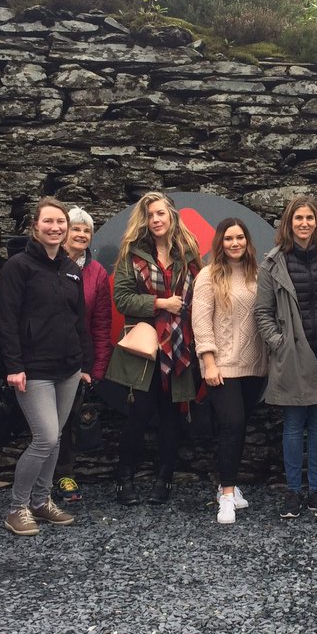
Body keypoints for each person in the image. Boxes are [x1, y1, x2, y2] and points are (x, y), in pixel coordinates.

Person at [0, 197, 92, 536]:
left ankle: (41, 501)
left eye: (60, 222)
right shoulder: (18, 267)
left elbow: (79, 320)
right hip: (32, 369)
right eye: (48, 221)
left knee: (56, 437)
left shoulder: (72, 269)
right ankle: (17, 508)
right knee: (45, 437)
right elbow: (6, 319)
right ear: (35, 226)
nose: (55, 227)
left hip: (68, 368)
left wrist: (84, 363)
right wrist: (13, 365)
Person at [254, 194, 317, 520]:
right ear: (288, 223)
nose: (304, 223)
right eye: (298, 218)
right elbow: (262, 312)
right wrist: (278, 343)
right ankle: (293, 492)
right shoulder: (272, 263)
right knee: (293, 426)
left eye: (309, 218)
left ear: (316, 222)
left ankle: (316, 491)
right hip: (292, 354)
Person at [106, 191, 201, 506]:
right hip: (145, 350)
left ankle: (164, 479)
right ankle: (124, 479)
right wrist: (161, 303)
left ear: (172, 215)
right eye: (150, 215)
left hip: (179, 346)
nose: (156, 219)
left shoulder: (188, 253)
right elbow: (122, 299)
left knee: (172, 416)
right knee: (139, 414)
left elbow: (199, 297)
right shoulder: (132, 254)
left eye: (161, 213)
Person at [192, 218, 267, 524]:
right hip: (221, 366)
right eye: (228, 238)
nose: (235, 243)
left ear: (247, 241)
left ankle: (230, 486)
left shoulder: (258, 274)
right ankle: (226, 495)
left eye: (240, 238)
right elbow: (200, 322)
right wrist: (209, 362)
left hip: (255, 366)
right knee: (232, 425)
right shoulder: (208, 275)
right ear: (220, 243)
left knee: (239, 426)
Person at [53, 207, 114, 504]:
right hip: (43, 357)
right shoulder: (46, 264)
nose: (81, 234)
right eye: (75, 228)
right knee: (44, 424)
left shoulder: (97, 272)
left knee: (68, 422)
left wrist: (97, 367)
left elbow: (101, 323)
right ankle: (36, 481)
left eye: (86, 230)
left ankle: (64, 475)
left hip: (78, 360)